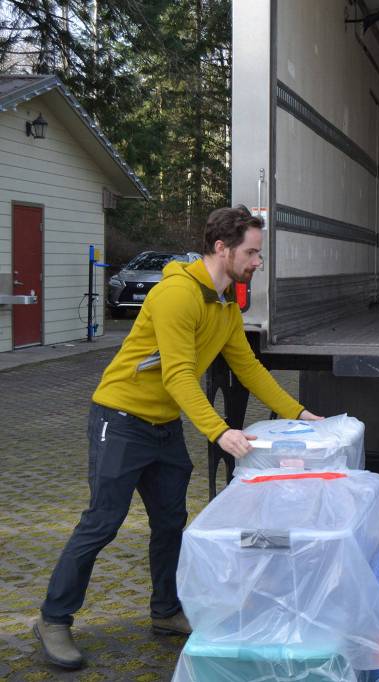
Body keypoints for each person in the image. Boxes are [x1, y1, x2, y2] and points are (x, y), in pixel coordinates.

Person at [33, 206, 321, 670]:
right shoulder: (176, 295)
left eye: (259, 254)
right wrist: (219, 430)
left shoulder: (224, 303)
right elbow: (179, 374)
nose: (258, 262)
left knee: (170, 522)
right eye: (252, 252)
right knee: (103, 521)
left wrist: (302, 413)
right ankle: (54, 618)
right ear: (222, 248)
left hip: (162, 429)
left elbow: (247, 367)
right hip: (121, 419)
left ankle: (166, 611)